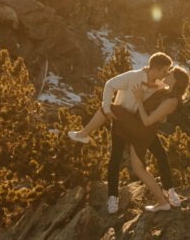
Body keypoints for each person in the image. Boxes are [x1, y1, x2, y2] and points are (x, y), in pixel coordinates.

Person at [68, 52, 181, 213]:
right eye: (165, 70)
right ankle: (113, 197)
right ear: (155, 69)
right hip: (121, 121)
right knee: (116, 157)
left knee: (160, 154)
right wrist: (107, 109)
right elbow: (109, 84)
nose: (167, 74)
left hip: (141, 125)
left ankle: (170, 191)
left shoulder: (160, 83)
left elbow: (163, 101)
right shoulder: (134, 77)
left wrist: (160, 116)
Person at [111, 65, 190, 213]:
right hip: (141, 128)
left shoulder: (171, 100)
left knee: (139, 168)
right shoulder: (166, 90)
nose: (167, 73)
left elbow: (148, 121)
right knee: (151, 160)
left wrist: (140, 100)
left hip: (143, 130)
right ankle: (165, 196)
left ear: (176, 80)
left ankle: (163, 200)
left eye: (171, 72)